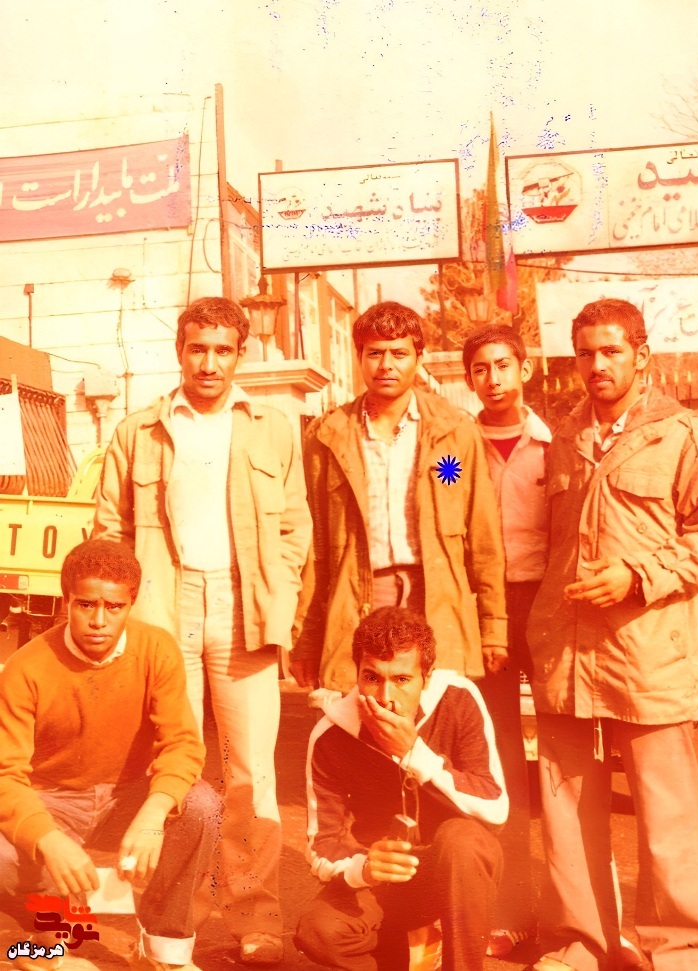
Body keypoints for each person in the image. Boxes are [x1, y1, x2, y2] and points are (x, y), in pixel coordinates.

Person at [525, 298, 698, 971]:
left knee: (665, 812)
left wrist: (638, 575)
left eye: (611, 350)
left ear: (641, 355)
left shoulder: (682, 435)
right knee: (566, 811)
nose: (597, 364)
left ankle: (686, 951)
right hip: (567, 655)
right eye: (585, 353)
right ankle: (581, 942)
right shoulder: (562, 437)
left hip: (648, 653)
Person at [93, 296, 312, 965]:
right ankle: (165, 920)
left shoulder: (272, 428)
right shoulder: (139, 430)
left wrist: (281, 598)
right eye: (197, 348)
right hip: (164, 605)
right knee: (172, 768)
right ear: (180, 352)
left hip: (244, 607)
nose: (209, 363)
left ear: (241, 354)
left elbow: (294, 527)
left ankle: (255, 917)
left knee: (250, 773)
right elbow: (109, 531)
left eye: (222, 350)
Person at [0, 540, 218, 971]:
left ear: (131, 604)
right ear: (66, 600)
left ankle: (164, 951)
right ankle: (47, 946)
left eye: (114, 607)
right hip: (53, 799)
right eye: (86, 604)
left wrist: (153, 812)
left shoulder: (157, 648)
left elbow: (182, 744)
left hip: (127, 796)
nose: (99, 620)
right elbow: (6, 774)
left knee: (200, 805)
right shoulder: (26, 667)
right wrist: (47, 839)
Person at [292, 301, 507, 695]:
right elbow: (313, 551)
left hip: (434, 595)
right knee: (364, 709)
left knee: (436, 708)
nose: (386, 365)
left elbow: (483, 538)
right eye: (375, 353)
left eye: (399, 353)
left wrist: (494, 628)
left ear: (418, 358)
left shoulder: (454, 433)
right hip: (359, 596)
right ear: (359, 357)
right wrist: (305, 640)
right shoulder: (328, 437)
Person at [294, 606, 507, 971]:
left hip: (456, 876)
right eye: (371, 677)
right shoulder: (330, 735)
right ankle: (412, 953)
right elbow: (322, 844)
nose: (385, 697)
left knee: (461, 839)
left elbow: (496, 807)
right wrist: (365, 867)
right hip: (386, 879)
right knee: (319, 930)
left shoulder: (458, 699)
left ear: (427, 677)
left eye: (402, 679)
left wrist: (414, 754)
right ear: (357, 673)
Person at [463, 324, 551, 955]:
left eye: (502, 365)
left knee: (567, 758)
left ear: (524, 369)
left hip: (546, 607)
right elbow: (446, 509)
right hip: (483, 611)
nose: (492, 379)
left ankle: (583, 915)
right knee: (496, 760)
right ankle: (510, 907)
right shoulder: (455, 451)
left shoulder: (555, 445)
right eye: (480, 368)